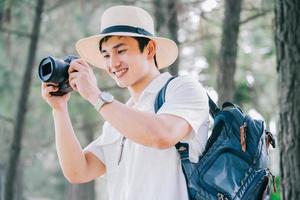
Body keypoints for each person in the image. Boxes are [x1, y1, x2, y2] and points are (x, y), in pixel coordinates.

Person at [41, 5, 209, 200]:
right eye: (105, 55)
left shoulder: (182, 88)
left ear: (150, 49)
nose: (113, 63)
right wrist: (59, 109)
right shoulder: (116, 117)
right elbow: (78, 171)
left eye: (120, 51)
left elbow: (162, 135)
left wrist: (95, 95)